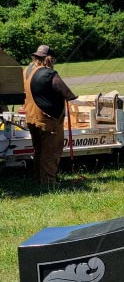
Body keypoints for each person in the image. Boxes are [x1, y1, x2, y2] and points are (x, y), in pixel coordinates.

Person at [22, 44, 78, 188]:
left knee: (39, 150)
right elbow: (67, 93)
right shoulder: (49, 74)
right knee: (51, 152)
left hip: (31, 118)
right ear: (49, 58)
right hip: (48, 121)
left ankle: (38, 179)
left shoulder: (27, 70)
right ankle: (48, 184)